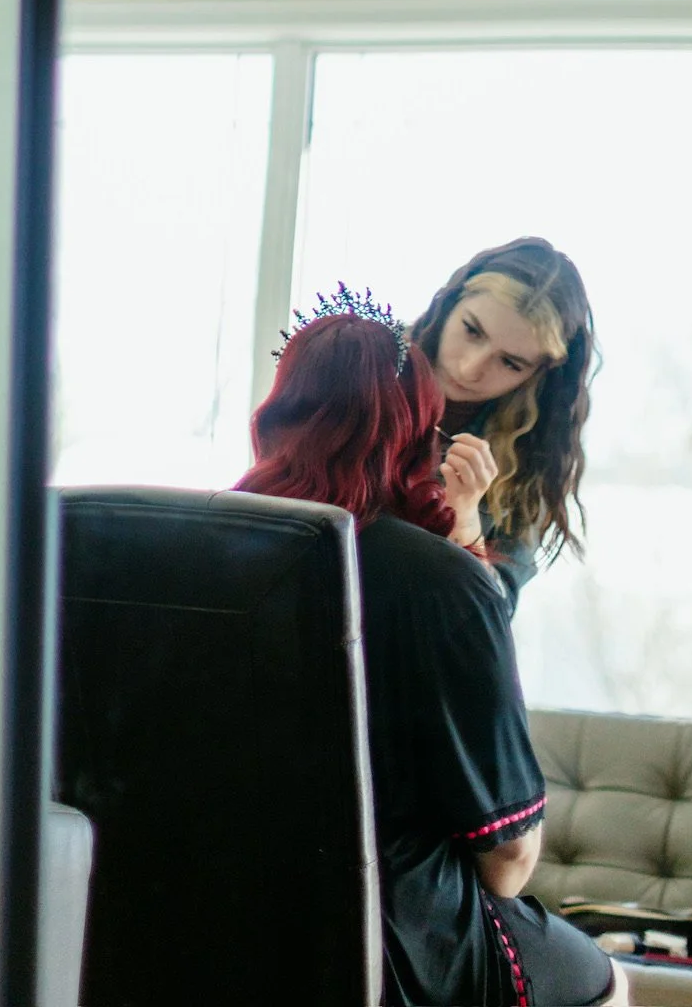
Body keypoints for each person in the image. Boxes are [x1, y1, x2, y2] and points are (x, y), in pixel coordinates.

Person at [238, 292, 625, 1007]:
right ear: (415, 424)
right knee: (605, 981)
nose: (476, 367)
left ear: (277, 406)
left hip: (197, 919)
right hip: (385, 943)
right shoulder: (446, 583)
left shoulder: (181, 550)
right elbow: (508, 859)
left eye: (508, 359)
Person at [407, 239, 596, 614]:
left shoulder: (532, 455)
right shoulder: (360, 366)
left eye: (510, 363)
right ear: (449, 303)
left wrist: (464, 518)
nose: (470, 368)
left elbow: (488, 620)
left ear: (540, 374)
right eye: (472, 331)